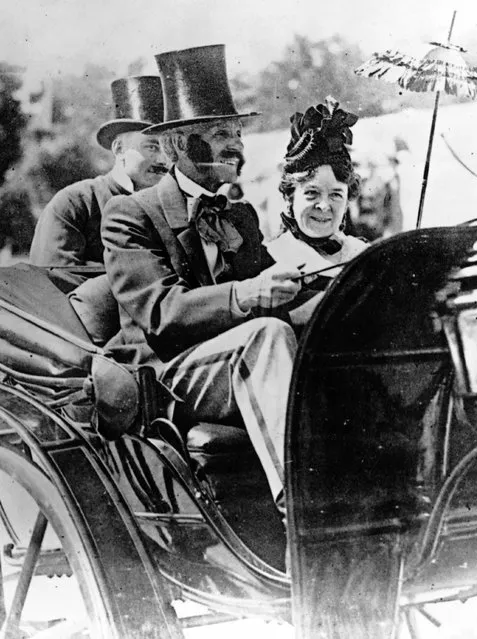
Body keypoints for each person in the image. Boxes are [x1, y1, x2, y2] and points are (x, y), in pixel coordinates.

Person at [101, 44, 302, 518]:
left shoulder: (240, 215)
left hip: (233, 362)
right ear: (177, 146)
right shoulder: (130, 214)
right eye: (219, 134)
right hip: (169, 374)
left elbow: (280, 294)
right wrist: (245, 294)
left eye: (236, 132)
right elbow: (161, 314)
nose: (236, 144)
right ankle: (297, 499)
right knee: (268, 334)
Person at [29, 76, 169, 290]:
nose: (162, 160)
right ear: (119, 148)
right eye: (152, 147)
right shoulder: (76, 204)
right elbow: (53, 283)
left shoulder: (173, 208)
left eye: (168, 149)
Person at [266, 98, 368, 325]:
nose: (324, 206)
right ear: (289, 197)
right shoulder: (271, 260)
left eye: (335, 195)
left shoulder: (361, 253)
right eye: (312, 193)